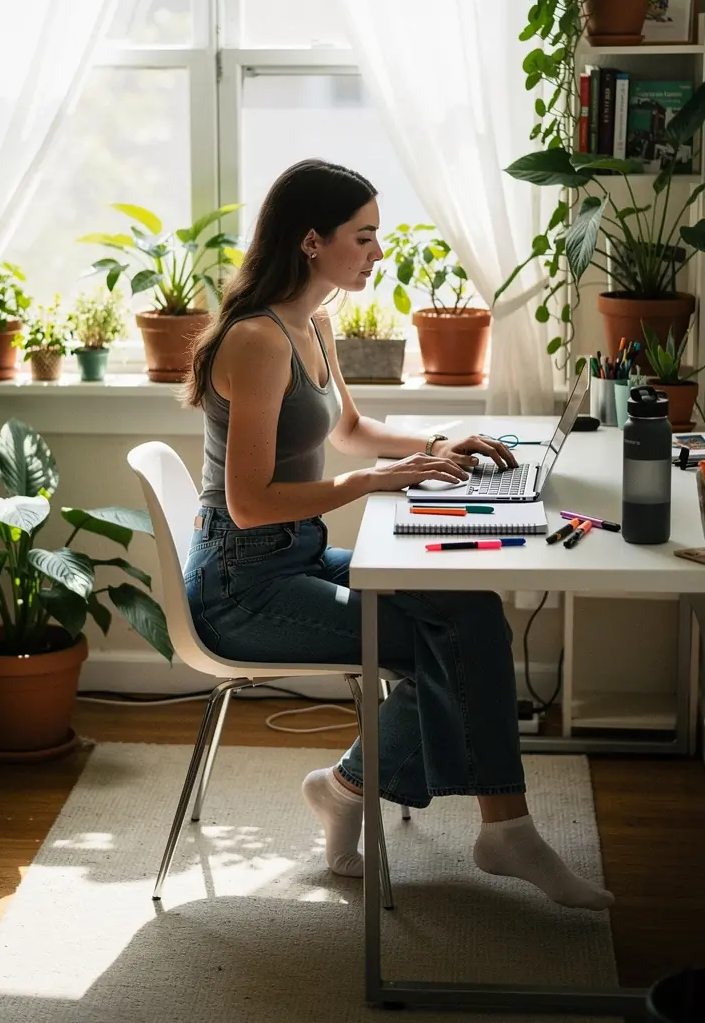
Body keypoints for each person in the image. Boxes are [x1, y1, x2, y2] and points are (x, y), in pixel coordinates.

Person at [181, 159, 612, 911]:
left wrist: (440, 445)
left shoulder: (310, 322)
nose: (379, 251)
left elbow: (347, 430)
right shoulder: (257, 341)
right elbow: (249, 505)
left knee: (469, 610)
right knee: (449, 642)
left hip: (296, 557)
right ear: (312, 241)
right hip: (241, 586)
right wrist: (374, 482)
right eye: (365, 236)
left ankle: (356, 788)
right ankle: (483, 823)